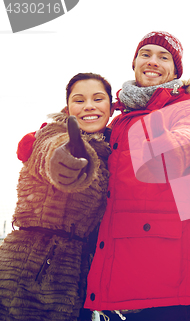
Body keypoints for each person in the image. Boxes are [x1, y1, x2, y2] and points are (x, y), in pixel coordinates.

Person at [84, 31, 190, 321]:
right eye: (146, 54)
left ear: (175, 71)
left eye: (163, 56)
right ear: (134, 63)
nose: (153, 61)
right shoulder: (118, 119)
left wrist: (170, 147)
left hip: (164, 284)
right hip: (114, 279)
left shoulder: (186, 107)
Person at [0, 72, 114, 321]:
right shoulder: (50, 135)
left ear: (111, 106)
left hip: (77, 274)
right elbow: (52, 158)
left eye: (98, 99)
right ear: (68, 107)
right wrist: (69, 158)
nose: (89, 107)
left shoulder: (109, 150)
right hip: (33, 269)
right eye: (79, 100)